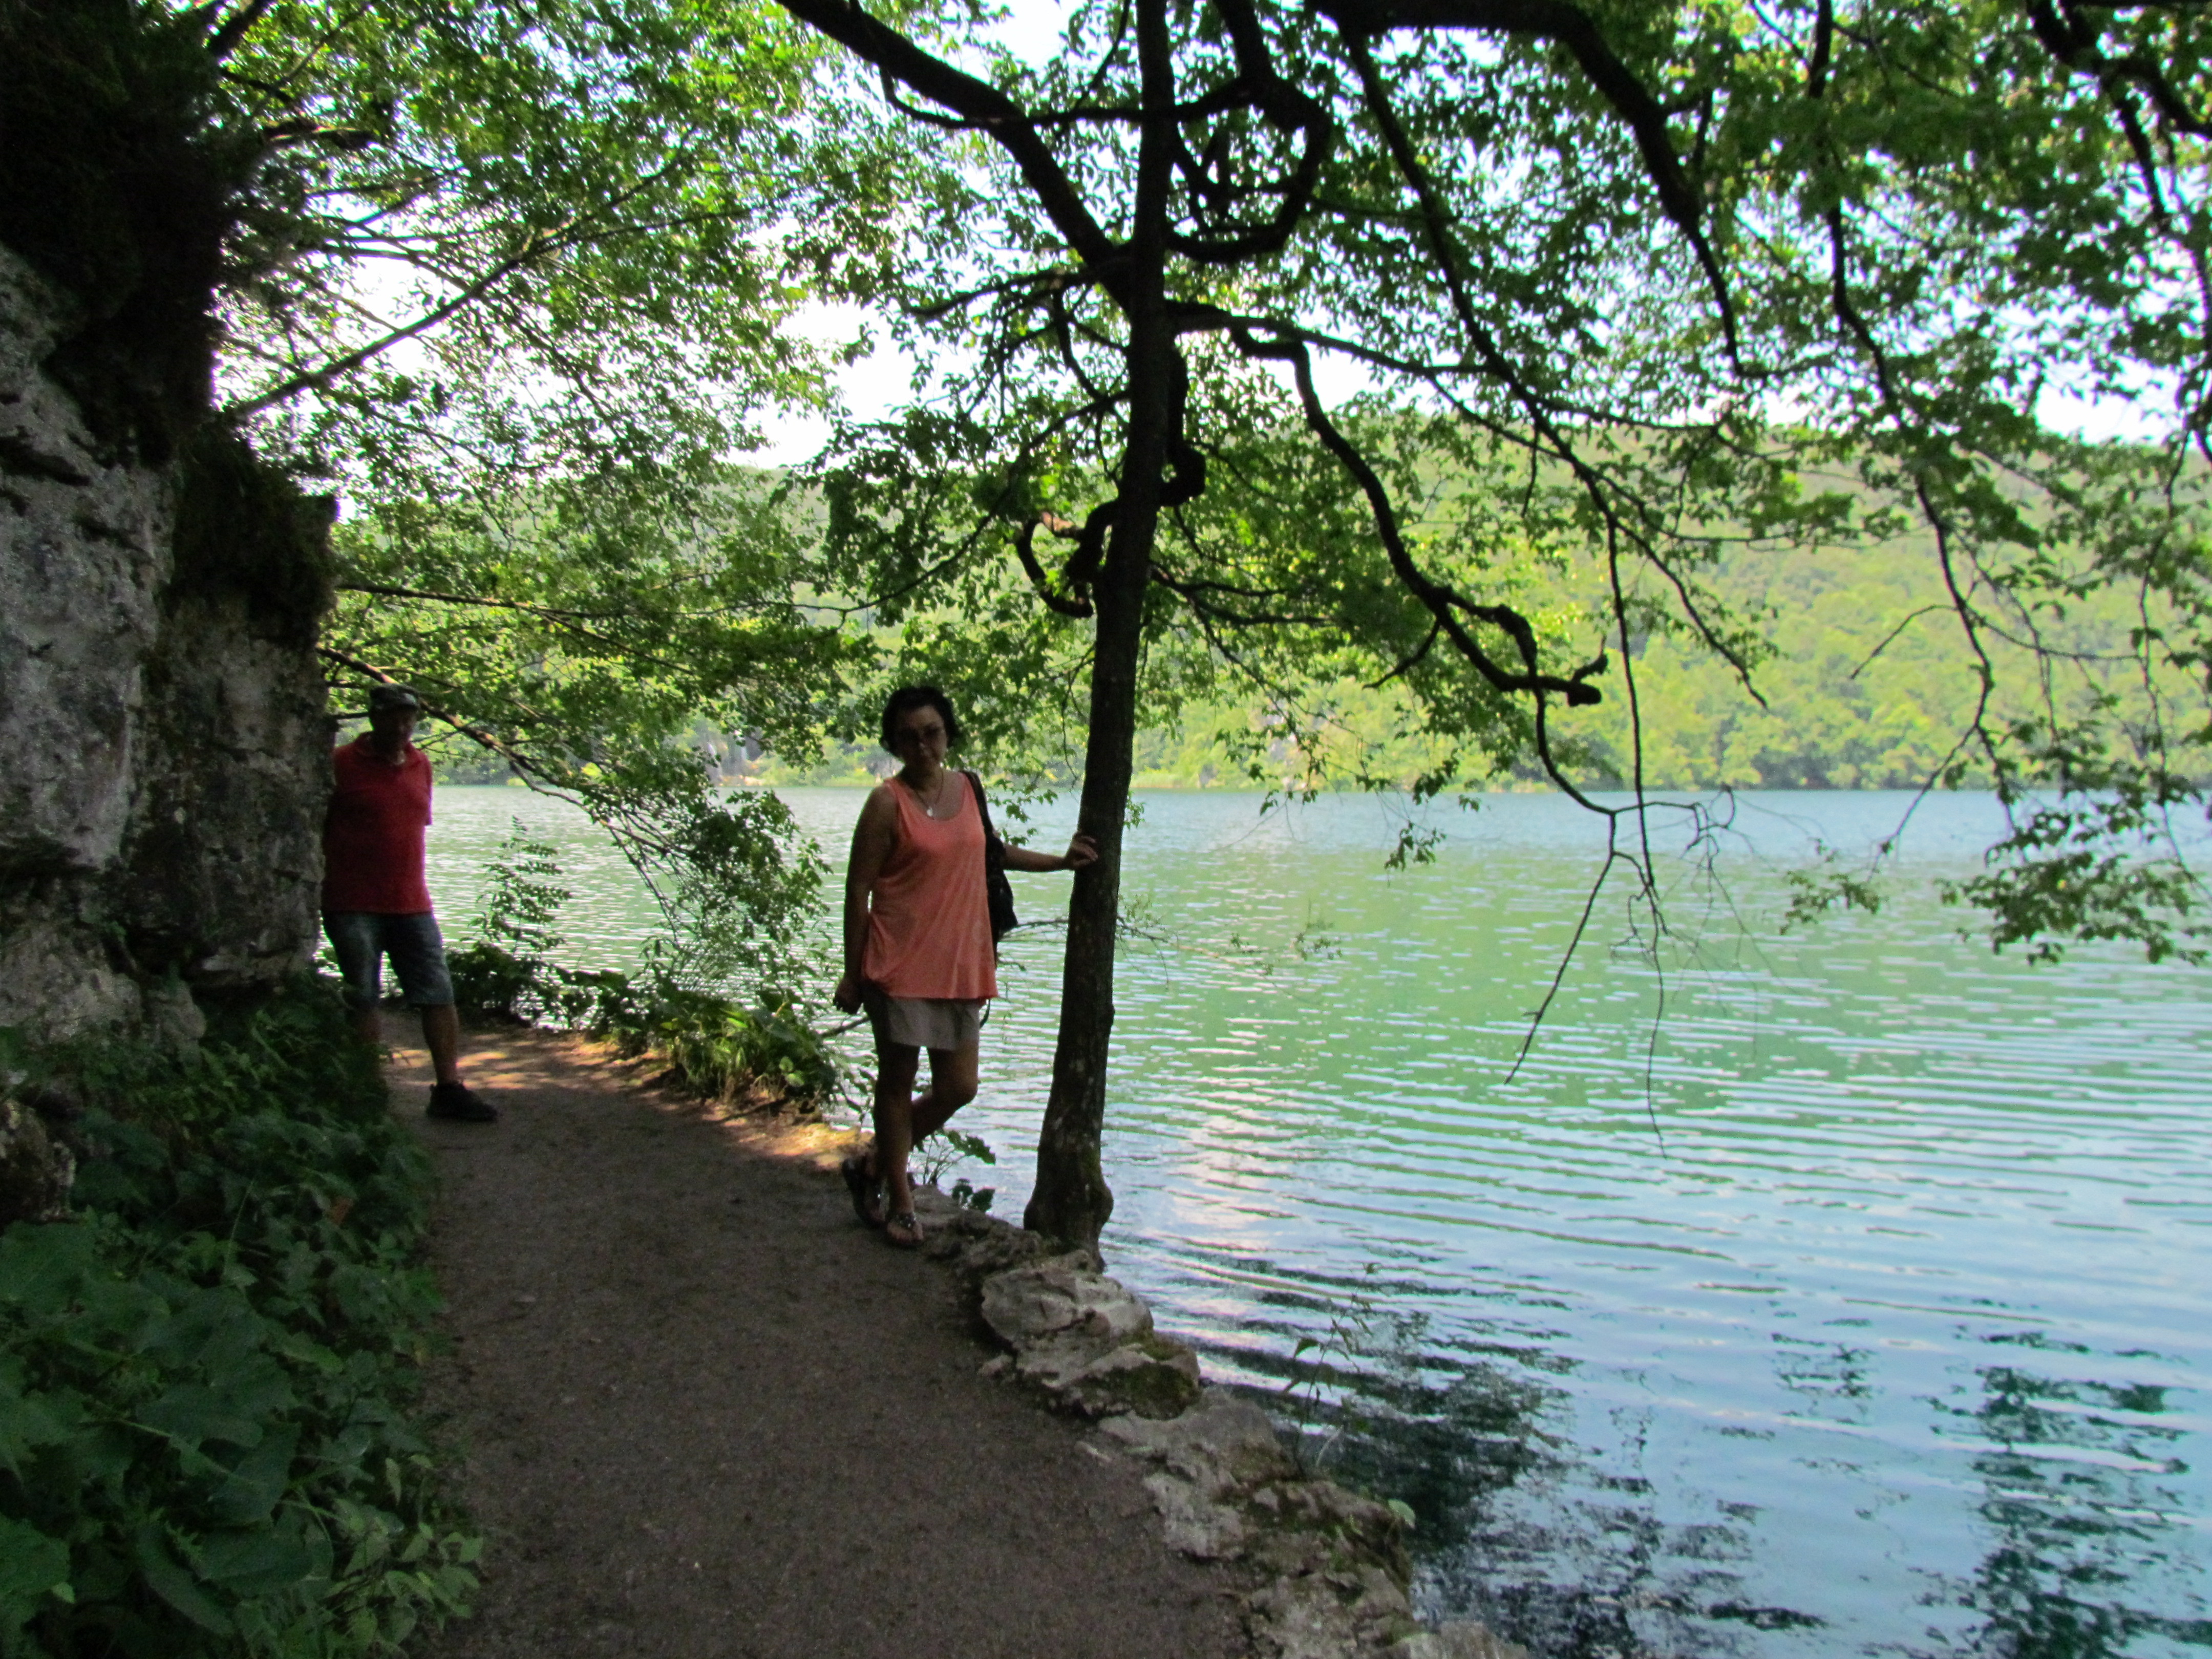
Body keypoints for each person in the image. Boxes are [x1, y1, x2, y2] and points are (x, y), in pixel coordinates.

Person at [834, 686, 1098, 1247]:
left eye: (931, 733)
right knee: (898, 1081)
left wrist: (1061, 862)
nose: (922, 745)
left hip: (959, 962)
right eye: (908, 737)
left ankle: (875, 1165)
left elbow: (991, 855)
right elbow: (858, 890)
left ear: (948, 733)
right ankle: (902, 1203)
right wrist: (852, 973)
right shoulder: (886, 803)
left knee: (959, 1086)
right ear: (894, 743)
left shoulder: (968, 789)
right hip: (898, 962)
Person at [322, 683, 496, 1122]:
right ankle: (369, 1091)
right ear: (374, 718)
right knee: (363, 996)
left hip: (411, 901)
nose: (402, 728)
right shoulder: (340, 763)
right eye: (393, 718)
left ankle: (449, 1089)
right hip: (351, 901)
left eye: (409, 719)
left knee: (438, 993)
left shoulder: (421, 765)